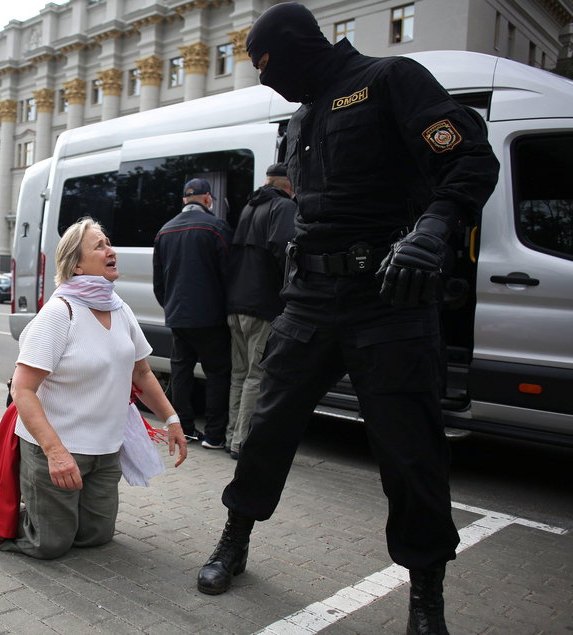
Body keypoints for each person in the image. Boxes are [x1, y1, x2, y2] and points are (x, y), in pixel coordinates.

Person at [196, 4, 499, 635]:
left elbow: (470, 159)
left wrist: (436, 229)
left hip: (388, 300)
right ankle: (235, 538)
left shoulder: (392, 80)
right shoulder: (301, 118)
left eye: (264, 64)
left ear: (298, 47)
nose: (262, 79)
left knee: (411, 454)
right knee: (268, 429)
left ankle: (426, 596)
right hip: (311, 300)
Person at [0, 218, 188, 559]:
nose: (110, 250)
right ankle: (4, 514)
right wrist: (55, 453)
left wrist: (172, 419)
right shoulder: (60, 314)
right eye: (99, 245)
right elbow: (23, 390)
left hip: (105, 449)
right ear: (75, 264)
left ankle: (52, 512)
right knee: (51, 544)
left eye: (108, 242)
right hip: (56, 449)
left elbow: (142, 373)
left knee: (96, 536)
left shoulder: (121, 310)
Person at [153, 178, 233, 449]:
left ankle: (184, 428)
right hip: (211, 317)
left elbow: (159, 283)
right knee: (218, 373)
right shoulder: (217, 227)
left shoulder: (164, 231)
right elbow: (229, 275)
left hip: (177, 316)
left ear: (184, 201)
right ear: (208, 199)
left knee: (181, 372)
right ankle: (214, 434)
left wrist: (171, 306)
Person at [225, 163, 297, 460]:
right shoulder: (282, 207)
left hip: (236, 304)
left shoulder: (248, 208)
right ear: (287, 186)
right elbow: (284, 249)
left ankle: (232, 435)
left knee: (239, 374)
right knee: (256, 374)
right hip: (262, 304)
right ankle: (242, 443)